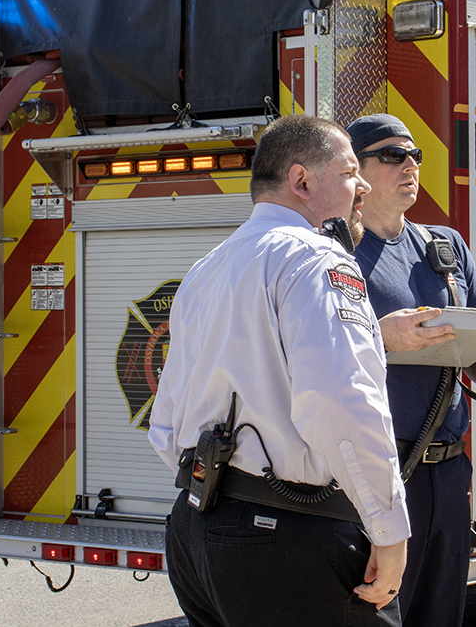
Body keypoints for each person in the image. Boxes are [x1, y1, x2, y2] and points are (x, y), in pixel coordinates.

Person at [148, 114, 410, 627]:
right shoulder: (319, 260)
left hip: (197, 528)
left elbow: (167, 418)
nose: (361, 187)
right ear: (302, 181)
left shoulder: (207, 268)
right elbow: (342, 401)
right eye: (350, 171)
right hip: (291, 539)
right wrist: (388, 530)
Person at [345, 114, 476, 627]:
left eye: (414, 156)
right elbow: (304, 353)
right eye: (391, 155)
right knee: (373, 613)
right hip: (376, 472)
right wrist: (381, 336)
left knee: (440, 616)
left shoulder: (443, 248)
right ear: (355, 171)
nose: (409, 164)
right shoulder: (335, 252)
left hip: (447, 473)